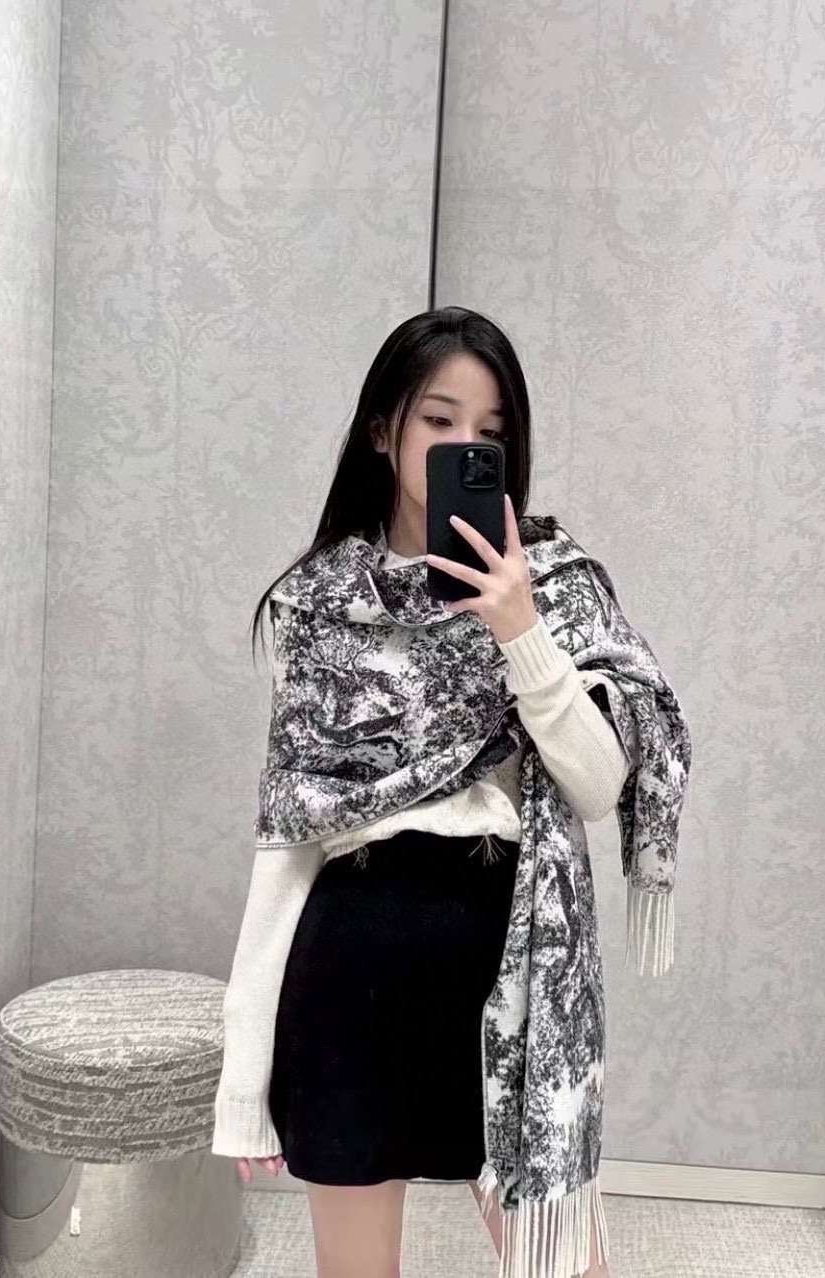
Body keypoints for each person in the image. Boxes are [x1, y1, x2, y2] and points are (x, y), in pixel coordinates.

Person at [212, 306, 638, 1278]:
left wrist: (520, 628)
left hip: (507, 967)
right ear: (383, 429)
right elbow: (288, 841)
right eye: (439, 420)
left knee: (567, 1267)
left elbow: (598, 786)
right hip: (348, 966)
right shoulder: (316, 604)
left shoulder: (554, 584)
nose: (464, 445)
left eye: (489, 431)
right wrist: (243, 1072)